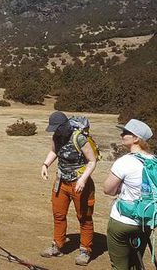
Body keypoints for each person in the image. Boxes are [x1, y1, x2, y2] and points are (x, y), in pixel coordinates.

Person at [40, 111, 97, 266]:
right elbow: (54, 151)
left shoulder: (79, 138)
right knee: (58, 214)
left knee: (84, 217)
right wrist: (46, 165)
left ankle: (85, 250)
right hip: (61, 182)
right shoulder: (57, 136)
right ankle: (57, 245)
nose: (55, 131)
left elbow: (92, 161)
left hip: (80, 183)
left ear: (65, 125)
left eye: (57, 128)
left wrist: (83, 180)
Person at [103, 119, 154, 270]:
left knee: (119, 266)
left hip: (123, 221)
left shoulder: (125, 161)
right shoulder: (156, 161)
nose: (122, 135)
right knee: (135, 263)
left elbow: (107, 189)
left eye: (126, 133)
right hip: (146, 221)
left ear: (136, 138)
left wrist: (119, 189)